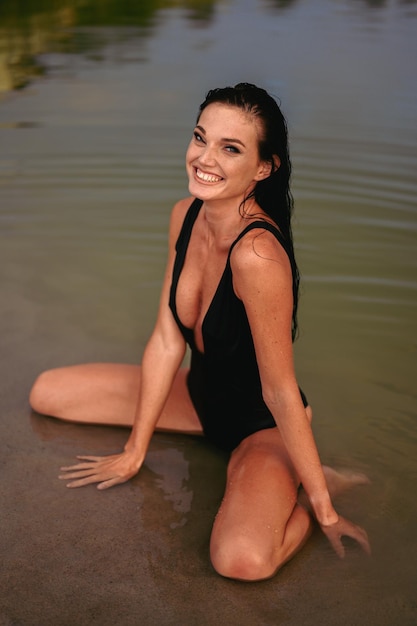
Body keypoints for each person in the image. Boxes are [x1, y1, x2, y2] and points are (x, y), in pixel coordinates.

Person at [29, 83, 370, 581]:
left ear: (264, 167)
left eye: (230, 148)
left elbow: (278, 390)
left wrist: (326, 511)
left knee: (242, 563)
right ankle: (273, 477)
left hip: (261, 426)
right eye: (200, 137)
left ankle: (313, 483)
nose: (203, 158)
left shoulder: (258, 257)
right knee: (47, 392)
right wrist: (134, 451)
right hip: (197, 398)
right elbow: (168, 338)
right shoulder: (185, 215)